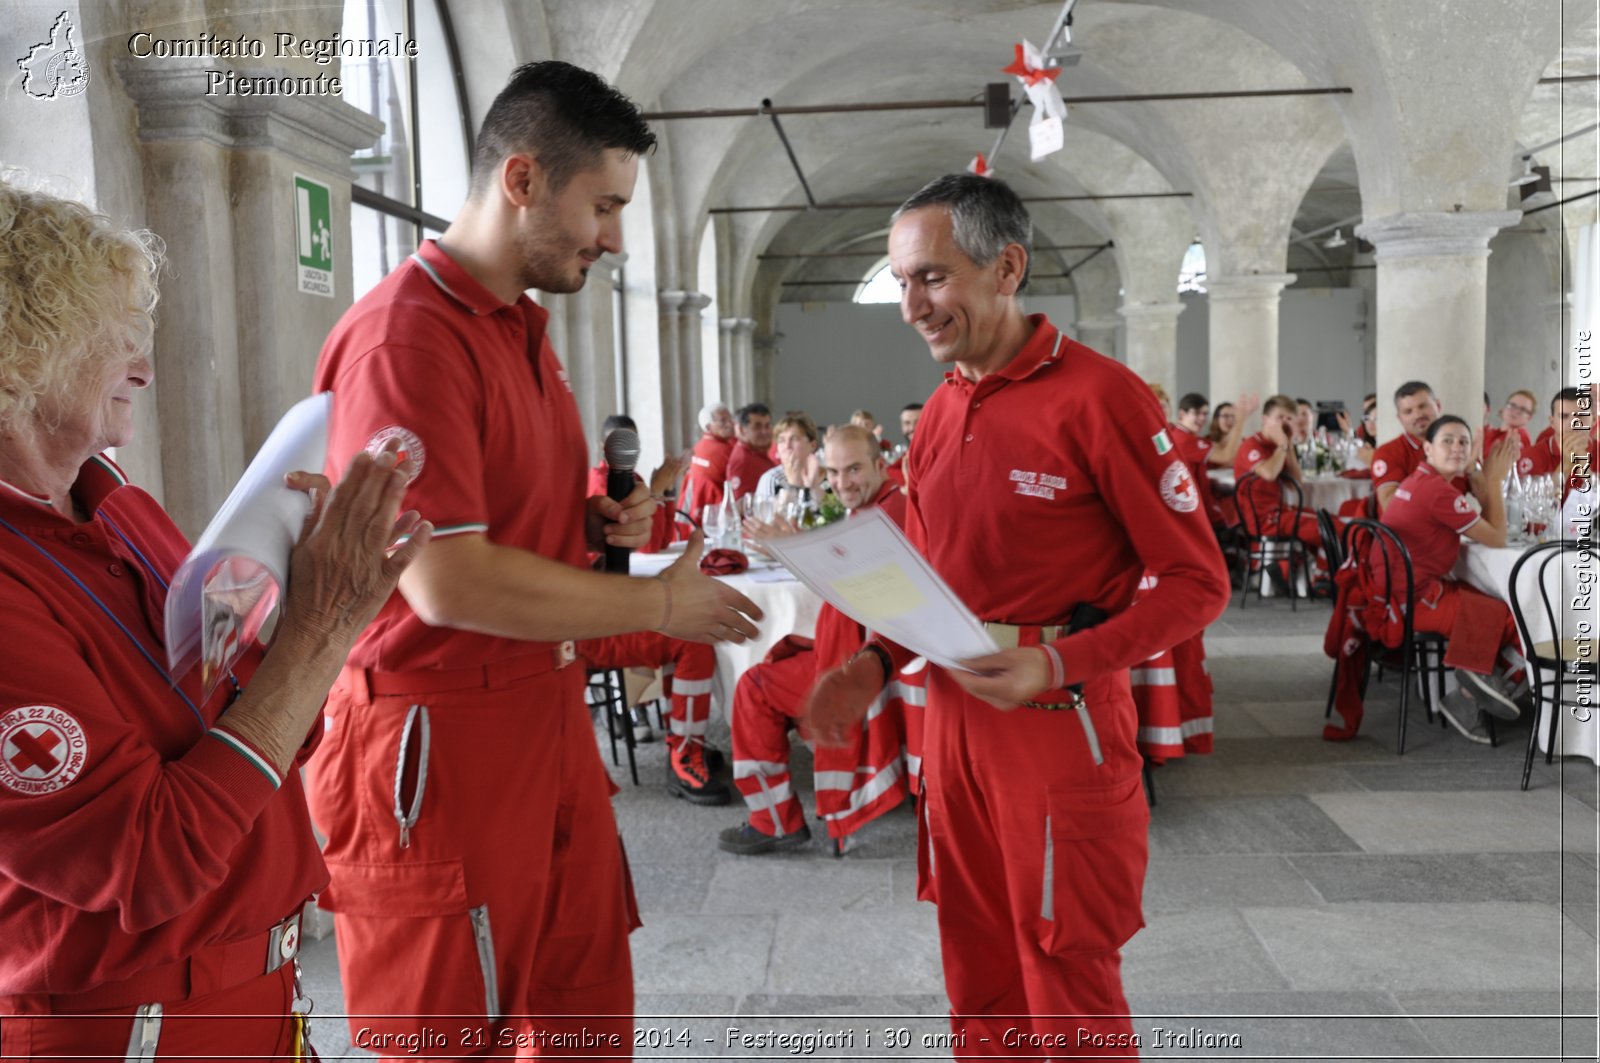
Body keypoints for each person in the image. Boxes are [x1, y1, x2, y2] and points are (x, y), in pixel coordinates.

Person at [308, 61, 762, 1057]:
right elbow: (445, 578)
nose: (612, 237)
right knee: (449, 1030)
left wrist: (604, 522)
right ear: (521, 180)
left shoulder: (520, 331)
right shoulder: (406, 340)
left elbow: (502, 517)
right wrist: (661, 607)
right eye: (601, 206)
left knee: (580, 1011)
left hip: (540, 720)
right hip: (440, 731)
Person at [0, 182, 429, 1056]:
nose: (146, 367)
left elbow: (251, 719)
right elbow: (148, 859)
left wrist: (302, 585)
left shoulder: (118, 507)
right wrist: (320, 635)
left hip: (254, 992)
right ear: (19, 348)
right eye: (112, 335)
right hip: (128, 1029)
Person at [806, 174, 1230, 1053]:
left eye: (931, 277)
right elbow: (925, 572)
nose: (912, 305)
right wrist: (873, 664)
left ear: (1007, 266)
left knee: (1064, 967)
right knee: (976, 955)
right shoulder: (940, 410)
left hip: (1057, 722)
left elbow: (1198, 583)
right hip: (953, 724)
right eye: (901, 283)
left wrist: (1064, 662)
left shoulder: (1101, 397)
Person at [720, 425, 911, 854]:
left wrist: (796, 549)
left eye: (855, 469)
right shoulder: (881, 504)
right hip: (854, 653)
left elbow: (862, 587)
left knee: (753, 689)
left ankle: (773, 821)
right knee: (769, 668)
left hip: (858, 666)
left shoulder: (886, 513)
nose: (843, 483)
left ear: (880, 465)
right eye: (835, 471)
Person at [1377, 416, 1523, 741]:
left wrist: (1482, 482)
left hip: (1402, 589)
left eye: (1463, 442)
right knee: (1512, 617)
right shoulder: (1437, 491)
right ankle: (1479, 693)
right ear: (1427, 448)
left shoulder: (1422, 481)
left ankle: (1478, 685)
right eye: (1448, 440)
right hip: (1414, 600)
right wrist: (1494, 481)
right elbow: (1497, 538)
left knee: (1494, 600)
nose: (1457, 447)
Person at [1233, 394, 1327, 573]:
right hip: (1262, 519)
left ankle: (1317, 573)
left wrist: (1289, 445)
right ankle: (1320, 576)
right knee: (1325, 529)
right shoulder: (1252, 445)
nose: (1284, 423)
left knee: (1328, 522)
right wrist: (1283, 444)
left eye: (1289, 418)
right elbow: (1269, 473)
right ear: (1265, 420)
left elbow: (1296, 483)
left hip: (1280, 511)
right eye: (1279, 418)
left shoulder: (1279, 446)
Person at [587, 413, 683, 554]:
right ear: (603, 447)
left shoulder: (634, 477)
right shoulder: (600, 481)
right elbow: (649, 547)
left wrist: (667, 490)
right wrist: (656, 492)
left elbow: (664, 540)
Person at [1372, 380, 1462, 511]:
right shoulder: (1388, 452)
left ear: (1438, 405)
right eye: (1408, 411)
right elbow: (1391, 507)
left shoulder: (1459, 445)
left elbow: (1486, 496)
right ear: (1400, 418)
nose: (1418, 415)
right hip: (1407, 530)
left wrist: (1474, 472)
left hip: (1457, 526)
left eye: (1423, 406)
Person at [1523, 386, 1597, 486]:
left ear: (1594, 420)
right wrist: (1565, 466)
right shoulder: (1532, 455)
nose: (1573, 422)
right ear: (1552, 422)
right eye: (1564, 416)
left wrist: (1587, 474)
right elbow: (1531, 500)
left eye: (1581, 415)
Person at [752, 411, 825, 511]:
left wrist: (814, 487)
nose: (787, 446)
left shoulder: (826, 475)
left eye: (794, 439)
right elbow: (766, 521)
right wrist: (793, 484)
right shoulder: (772, 479)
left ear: (812, 445)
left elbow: (834, 515)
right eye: (781, 440)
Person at [684, 401, 735, 522]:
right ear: (708, 427)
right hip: (720, 516)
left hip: (694, 512)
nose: (730, 424)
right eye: (723, 421)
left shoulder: (698, 446)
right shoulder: (727, 451)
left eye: (730, 418)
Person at [726, 402, 775, 500]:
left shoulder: (758, 452)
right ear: (742, 430)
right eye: (757, 426)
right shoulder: (742, 461)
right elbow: (742, 505)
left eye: (767, 425)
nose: (764, 431)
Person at [1484, 389, 1538, 469]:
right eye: (1512, 405)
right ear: (1504, 407)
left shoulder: (1520, 436)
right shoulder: (1489, 433)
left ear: (1529, 417)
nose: (1515, 411)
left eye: (1522, 410)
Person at [1204, 393, 1259, 468]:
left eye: (1233, 416)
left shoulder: (1244, 441)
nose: (1230, 420)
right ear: (1216, 419)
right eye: (1225, 416)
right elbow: (1226, 460)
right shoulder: (1206, 442)